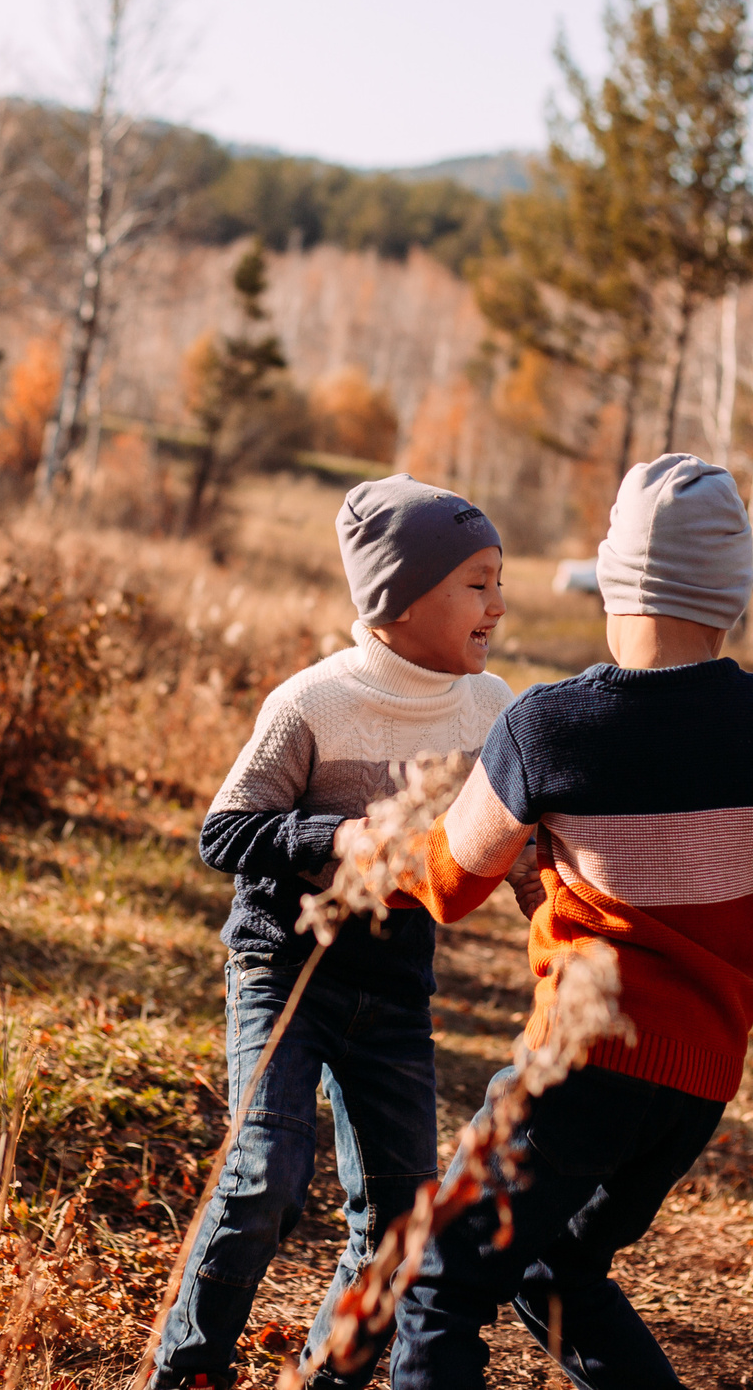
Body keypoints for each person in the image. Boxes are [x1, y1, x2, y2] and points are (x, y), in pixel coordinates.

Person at [384, 454, 753, 1390]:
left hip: (578, 1071)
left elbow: (449, 882)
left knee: (438, 1281)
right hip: (694, 1089)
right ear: (732, 594)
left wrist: (384, 849)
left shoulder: (544, 727)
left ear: (614, 580)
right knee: (554, 1265)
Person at [152, 474, 514, 1390]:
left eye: (498, 582)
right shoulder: (313, 701)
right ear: (401, 596)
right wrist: (332, 835)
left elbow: (521, 840)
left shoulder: (492, 710)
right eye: (478, 583)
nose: (498, 605)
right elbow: (224, 831)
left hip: (395, 983)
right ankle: (186, 1371)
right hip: (285, 965)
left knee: (401, 1217)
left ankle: (328, 1378)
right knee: (265, 1171)